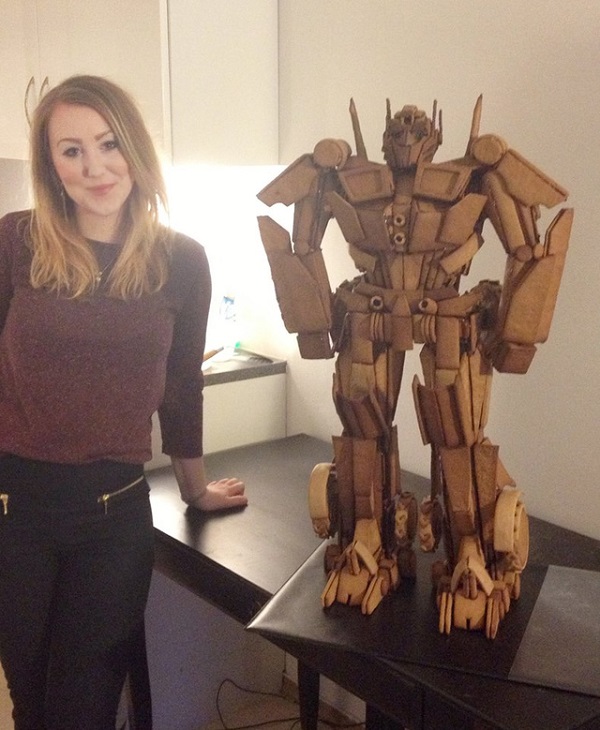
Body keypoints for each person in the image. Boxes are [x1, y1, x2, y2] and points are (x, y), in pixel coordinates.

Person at [0, 74, 247, 730]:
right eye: (72, 150)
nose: (95, 167)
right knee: (32, 705)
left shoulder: (181, 260)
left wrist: (195, 489)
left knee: (82, 710)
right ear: (51, 164)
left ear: (135, 147)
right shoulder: (16, 241)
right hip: (12, 515)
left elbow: (182, 386)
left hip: (112, 522)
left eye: (109, 144)